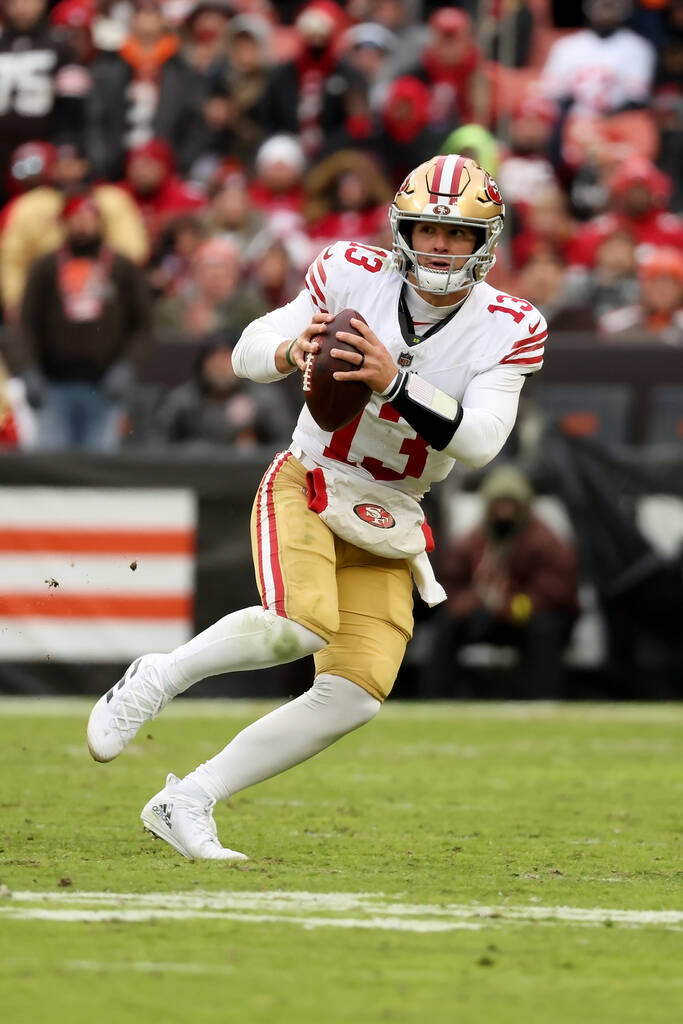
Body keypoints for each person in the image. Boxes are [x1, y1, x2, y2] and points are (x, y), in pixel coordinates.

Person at [87, 154, 547, 861]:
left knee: (354, 694)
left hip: (391, 508)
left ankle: (187, 799)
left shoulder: (510, 325)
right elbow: (247, 347)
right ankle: (157, 677)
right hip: (311, 477)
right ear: (402, 229)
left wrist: (394, 384)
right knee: (299, 624)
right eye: (427, 228)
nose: (438, 246)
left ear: (485, 243)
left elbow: (482, 443)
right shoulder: (348, 270)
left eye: (457, 235)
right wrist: (286, 349)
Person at [419, 467, 580, 700]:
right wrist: (465, 602)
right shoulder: (474, 540)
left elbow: (557, 589)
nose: (504, 512)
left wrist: (516, 605)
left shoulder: (544, 541)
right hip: (488, 613)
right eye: (498, 504)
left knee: (544, 630)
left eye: (510, 504)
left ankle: (544, 701)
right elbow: (449, 580)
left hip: (528, 615)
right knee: (447, 625)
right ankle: (433, 700)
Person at [18, 193, 153, 450]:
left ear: (99, 221)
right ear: (64, 222)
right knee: (51, 466)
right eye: (75, 218)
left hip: (105, 384)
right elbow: (26, 325)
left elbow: (144, 326)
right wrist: (28, 370)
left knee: (100, 468)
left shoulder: (122, 267)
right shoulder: (45, 267)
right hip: (53, 385)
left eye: (88, 217)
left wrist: (127, 367)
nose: (82, 224)